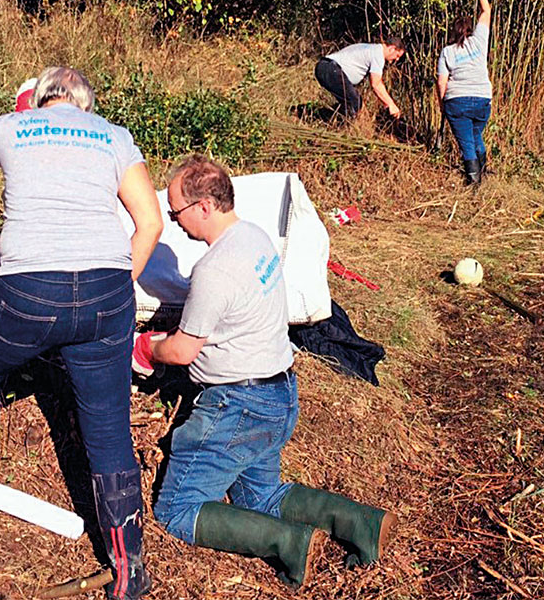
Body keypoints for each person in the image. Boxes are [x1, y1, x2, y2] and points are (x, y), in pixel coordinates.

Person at [0, 66, 163, 599]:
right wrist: (112, 286)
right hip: (107, 291)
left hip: (28, 290)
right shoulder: (114, 137)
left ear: (38, 100)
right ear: (87, 104)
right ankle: (129, 573)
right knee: (110, 429)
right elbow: (151, 223)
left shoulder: (9, 127)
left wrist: (28, 115)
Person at [133, 155, 397, 586]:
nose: (174, 221)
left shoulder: (213, 270)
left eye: (176, 210)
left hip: (238, 404)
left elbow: (182, 351)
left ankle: (289, 543)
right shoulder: (255, 238)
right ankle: (361, 523)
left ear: (203, 207)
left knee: (177, 509)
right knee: (260, 496)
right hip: (279, 394)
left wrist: (148, 347)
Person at [437, 0, 492, 185]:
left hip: (457, 101)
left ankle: (473, 182)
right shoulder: (479, 41)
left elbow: (442, 82)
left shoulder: (447, 51)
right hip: (482, 99)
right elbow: (486, 10)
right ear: (470, 30)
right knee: (476, 135)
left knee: (467, 142)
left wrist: (443, 105)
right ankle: (484, 171)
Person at [314, 37, 405, 122]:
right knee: (354, 103)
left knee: (353, 102)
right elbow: (376, 84)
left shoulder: (372, 48)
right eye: (397, 55)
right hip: (331, 69)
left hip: (325, 67)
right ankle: (329, 124)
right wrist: (391, 104)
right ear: (392, 48)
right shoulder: (378, 55)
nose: (397, 59)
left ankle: (321, 117)